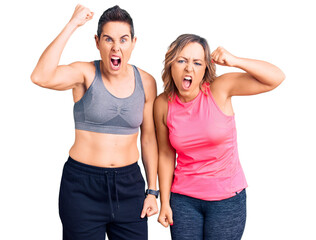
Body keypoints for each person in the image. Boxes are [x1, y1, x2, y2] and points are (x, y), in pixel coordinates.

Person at [31, 4, 159, 240]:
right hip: (82, 187)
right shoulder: (84, 73)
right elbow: (40, 76)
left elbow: (149, 138)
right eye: (108, 39)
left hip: (129, 186)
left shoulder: (147, 82)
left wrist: (152, 190)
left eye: (123, 39)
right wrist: (72, 24)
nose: (116, 47)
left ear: (133, 42)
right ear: (97, 42)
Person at [154, 34, 285, 240]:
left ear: (206, 68)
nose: (189, 68)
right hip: (183, 200)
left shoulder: (220, 89)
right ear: (171, 64)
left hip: (227, 200)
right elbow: (165, 154)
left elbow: (276, 78)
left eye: (197, 62)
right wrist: (165, 202)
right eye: (182, 60)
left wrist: (235, 60)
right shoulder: (162, 103)